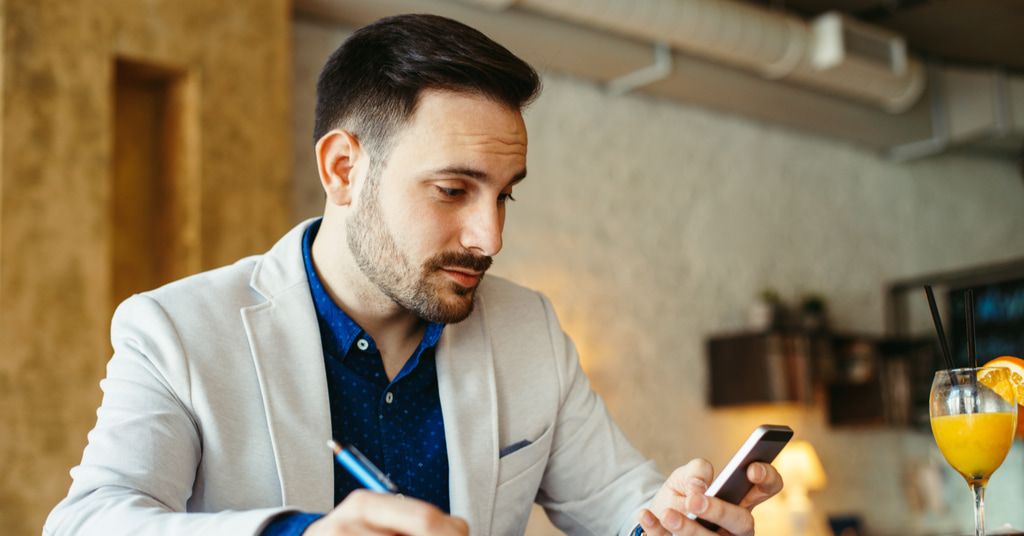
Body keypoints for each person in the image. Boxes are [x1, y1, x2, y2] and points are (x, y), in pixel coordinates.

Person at [44, 13, 782, 536]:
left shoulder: (531, 330)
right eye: (454, 190)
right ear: (343, 169)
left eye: (506, 194)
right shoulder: (175, 329)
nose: (489, 236)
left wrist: (682, 519)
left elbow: (624, 505)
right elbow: (88, 522)